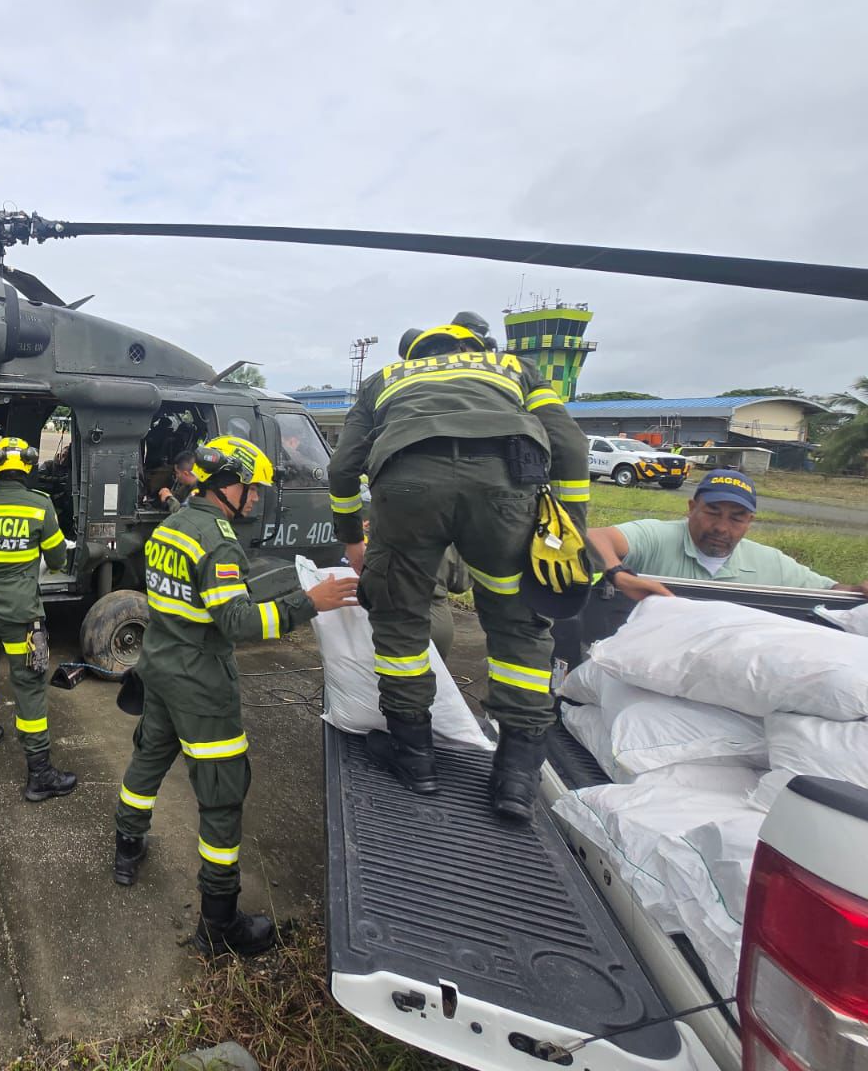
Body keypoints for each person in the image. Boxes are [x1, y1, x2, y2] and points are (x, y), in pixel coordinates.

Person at [328, 318, 591, 823]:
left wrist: (353, 539)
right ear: (474, 346)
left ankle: (416, 760)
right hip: (506, 492)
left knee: (400, 618)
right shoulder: (514, 367)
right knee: (518, 625)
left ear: (415, 353)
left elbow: (343, 469)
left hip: (405, 492)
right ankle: (515, 776)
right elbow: (573, 449)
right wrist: (568, 531)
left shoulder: (386, 379)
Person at [112, 437, 360, 957]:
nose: (255, 499)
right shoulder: (218, 542)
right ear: (228, 484)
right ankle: (219, 922)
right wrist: (306, 604)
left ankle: (126, 848)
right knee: (222, 798)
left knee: (147, 764)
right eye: (251, 490)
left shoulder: (171, 527)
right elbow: (238, 622)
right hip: (201, 686)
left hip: (158, 669)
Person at [0, 436, 76, 801]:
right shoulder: (40, 506)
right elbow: (56, 561)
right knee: (30, 686)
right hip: (21, 615)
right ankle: (40, 774)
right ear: (28, 467)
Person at [589, 469, 868, 599]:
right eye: (713, 512)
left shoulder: (769, 562)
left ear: (750, 522)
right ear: (691, 507)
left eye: (737, 517)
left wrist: (858, 590)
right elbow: (594, 536)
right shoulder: (657, 536)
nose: (722, 527)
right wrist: (620, 575)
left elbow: (829, 591)